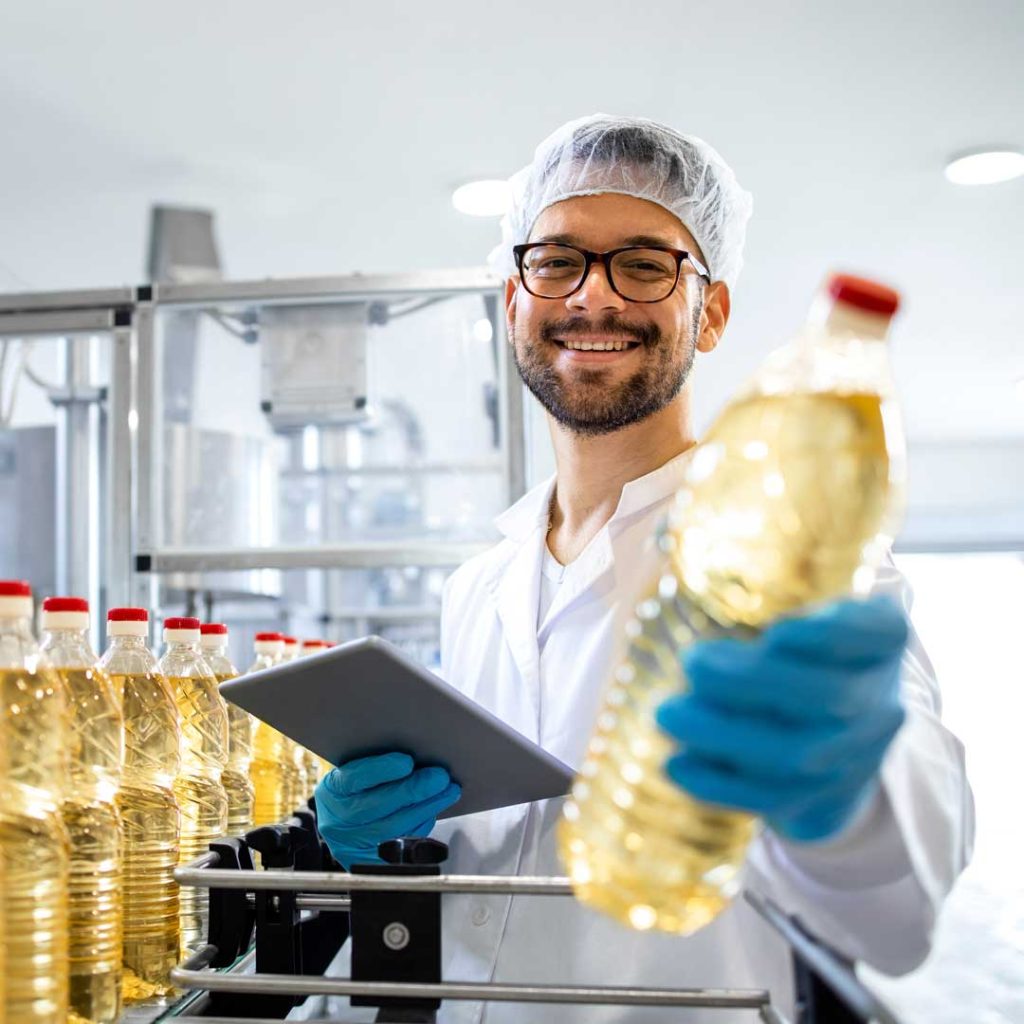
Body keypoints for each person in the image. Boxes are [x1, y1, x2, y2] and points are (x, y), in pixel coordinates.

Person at [314, 114, 974, 1023]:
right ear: (514, 301)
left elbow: (901, 918)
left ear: (710, 313)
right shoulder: (479, 584)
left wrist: (845, 796)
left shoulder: (779, 563)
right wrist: (382, 843)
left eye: (645, 263)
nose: (594, 298)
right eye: (556, 261)